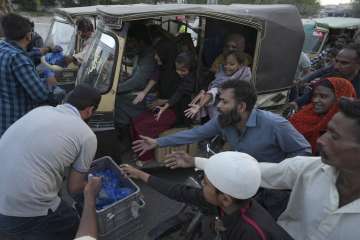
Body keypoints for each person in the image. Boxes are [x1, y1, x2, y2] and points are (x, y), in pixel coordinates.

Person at [168, 97, 360, 239]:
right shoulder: (309, 169)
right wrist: (195, 161)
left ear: (241, 106)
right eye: (326, 132)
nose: (321, 140)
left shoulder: (276, 124)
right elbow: (251, 172)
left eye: (335, 136)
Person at [133, 79, 311, 218]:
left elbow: (304, 151)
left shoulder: (275, 124)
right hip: (240, 179)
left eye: (224, 102)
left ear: (241, 107)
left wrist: (280, 174)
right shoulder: (224, 121)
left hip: (271, 188)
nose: (218, 106)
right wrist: (157, 143)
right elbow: (195, 134)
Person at [0, 85, 101, 240]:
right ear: (89, 110)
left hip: (5, 196)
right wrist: (95, 186)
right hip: (19, 212)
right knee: (75, 224)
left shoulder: (40, 110)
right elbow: (74, 188)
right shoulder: (87, 135)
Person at [120, 152, 293, 240]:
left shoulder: (251, 232)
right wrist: (139, 174)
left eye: (206, 184)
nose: (201, 185)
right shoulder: (229, 202)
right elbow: (178, 191)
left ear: (225, 199)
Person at [0, 13, 56, 137]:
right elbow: (40, 95)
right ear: (28, 36)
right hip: (15, 124)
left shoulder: (3, 48)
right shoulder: (18, 59)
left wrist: (48, 49)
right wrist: (49, 81)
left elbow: (28, 55)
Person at [115, 23, 156, 151]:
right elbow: (130, 62)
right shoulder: (141, 52)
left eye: (132, 41)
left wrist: (115, 89)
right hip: (139, 90)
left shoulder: (149, 56)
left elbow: (137, 81)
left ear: (141, 41)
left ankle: (126, 140)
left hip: (149, 95)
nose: (130, 44)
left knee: (118, 100)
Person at [289, 77, 356, 154]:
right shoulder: (306, 113)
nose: (315, 100)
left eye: (323, 96)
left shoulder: (345, 130)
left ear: (338, 98)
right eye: (314, 96)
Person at [291, 43, 360, 110]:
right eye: (336, 61)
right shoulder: (332, 75)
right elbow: (314, 91)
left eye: (344, 63)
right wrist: (297, 103)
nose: (336, 66)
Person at [185, 50, 251, 119]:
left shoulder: (245, 77)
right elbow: (212, 92)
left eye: (231, 64)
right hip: (218, 115)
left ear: (240, 65)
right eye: (225, 64)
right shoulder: (220, 76)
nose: (227, 67)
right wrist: (199, 106)